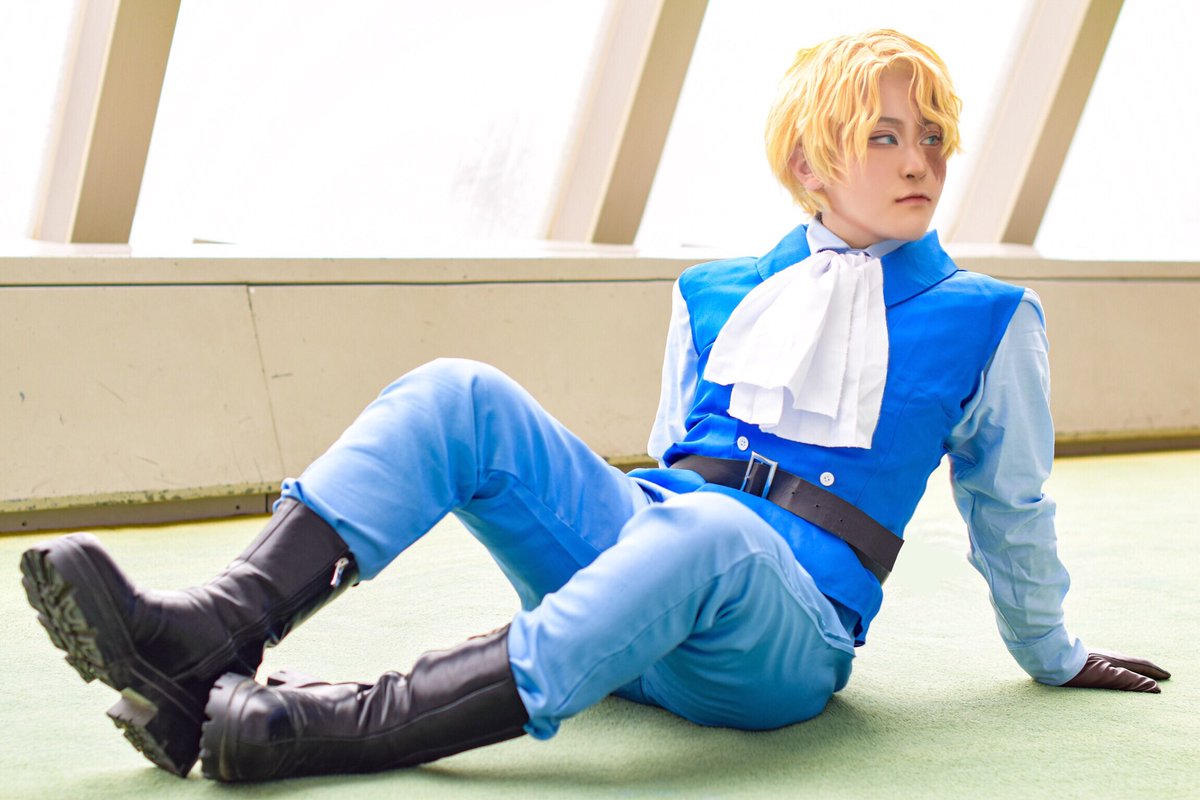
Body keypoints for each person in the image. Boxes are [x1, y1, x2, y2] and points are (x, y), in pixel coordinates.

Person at [21, 29, 1169, 783]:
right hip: (641, 581)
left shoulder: (988, 318)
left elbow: (1011, 506)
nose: (921, 158)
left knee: (711, 532)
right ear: (809, 166)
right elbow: (670, 458)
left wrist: (1053, 649)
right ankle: (210, 634)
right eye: (885, 134)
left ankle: (325, 723)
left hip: (778, 644)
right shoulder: (715, 292)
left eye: (934, 137)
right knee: (459, 392)